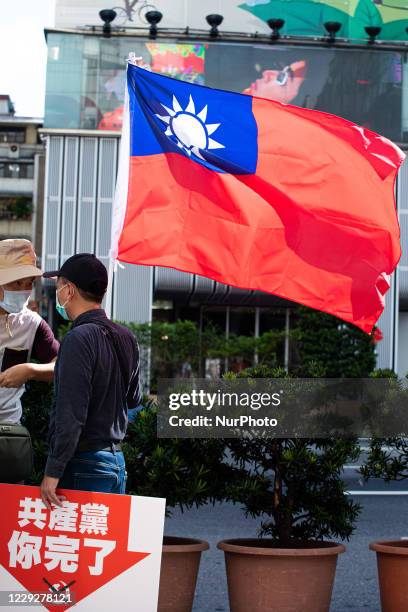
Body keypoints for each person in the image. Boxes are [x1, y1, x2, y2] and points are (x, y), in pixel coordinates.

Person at [40, 253, 141, 508]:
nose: (58, 292)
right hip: (115, 461)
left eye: (58, 285)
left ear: (69, 289)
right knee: (102, 544)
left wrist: (53, 472)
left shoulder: (78, 339)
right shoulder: (127, 337)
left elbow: (71, 414)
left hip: (84, 461)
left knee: (77, 547)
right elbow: (134, 398)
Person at [0, 239, 59, 424]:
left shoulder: (32, 323)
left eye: (29, 283)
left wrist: (30, 370)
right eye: (17, 283)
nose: (24, 291)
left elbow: (62, 365)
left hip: (8, 429)